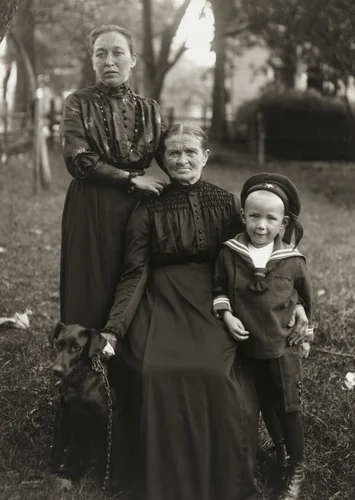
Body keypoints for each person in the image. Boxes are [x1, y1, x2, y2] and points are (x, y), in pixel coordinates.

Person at [101, 126, 309, 500]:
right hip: (162, 299)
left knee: (218, 370)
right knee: (155, 370)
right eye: (173, 154)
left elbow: (262, 258)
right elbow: (134, 273)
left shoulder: (227, 202)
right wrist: (115, 329)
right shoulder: (147, 208)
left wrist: (292, 305)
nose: (182, 160)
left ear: (206, 156)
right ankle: (164, 474)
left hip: (220, 297)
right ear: (162, 161)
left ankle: (224, 470)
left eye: (190, 152)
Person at [212, 173, 314, 500]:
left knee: (287, 406)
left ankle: (297, 465)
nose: (261, 225)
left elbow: (304, 298)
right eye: (254, 216)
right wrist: (226, 315)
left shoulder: (292, 261)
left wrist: (304, 327)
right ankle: (280, 450)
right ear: (242, 215)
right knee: (263, 403)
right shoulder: (230, 254)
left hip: (281, 348)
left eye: (271, 219)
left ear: (283, 223)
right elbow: (218, 288)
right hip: (246, 347)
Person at [60, 24, 166, 331]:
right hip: (90, 203)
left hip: (136, 208)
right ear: (92, 60)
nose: (109, 62)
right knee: (90, 277)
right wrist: (131, 179)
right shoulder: (78, 102)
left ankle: (122, 347)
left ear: (132, 59)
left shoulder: (150, 110)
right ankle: (82, 350)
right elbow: (78, 159)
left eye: (118, 53)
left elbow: (173, 154)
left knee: (129, 273)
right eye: (100, 54)